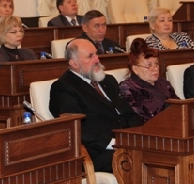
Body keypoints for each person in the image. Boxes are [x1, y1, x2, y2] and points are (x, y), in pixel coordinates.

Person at [49, 38, 143, 172]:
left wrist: (137, 137)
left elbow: (129, 114)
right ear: (74, 63)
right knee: (147, 164)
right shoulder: (63, 87)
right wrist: (115, 143)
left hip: (127, 144)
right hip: (100, 153)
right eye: (90, 56)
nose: (97, 59)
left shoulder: (108, 80)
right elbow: (75, 128)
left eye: (96, 54)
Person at [119, 38, 179, 121]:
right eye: (149, 65)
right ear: (135, 69)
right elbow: (137, 118)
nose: (155, 68)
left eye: (156, 64)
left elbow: (180, 105)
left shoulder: (164, 83)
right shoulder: (128, 88)